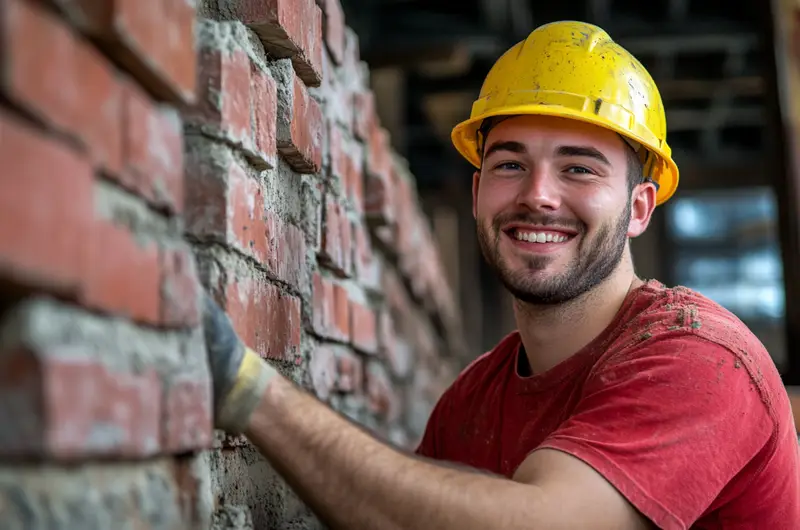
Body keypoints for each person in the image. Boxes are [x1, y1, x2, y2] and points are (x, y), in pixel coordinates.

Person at [201, 20, 800, 530]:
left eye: (579, 169)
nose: (538, 196)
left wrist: (246, 388)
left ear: (639, 208)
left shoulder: (702, 361)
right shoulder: (471, 404)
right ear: (477, 191)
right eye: (510, 163)